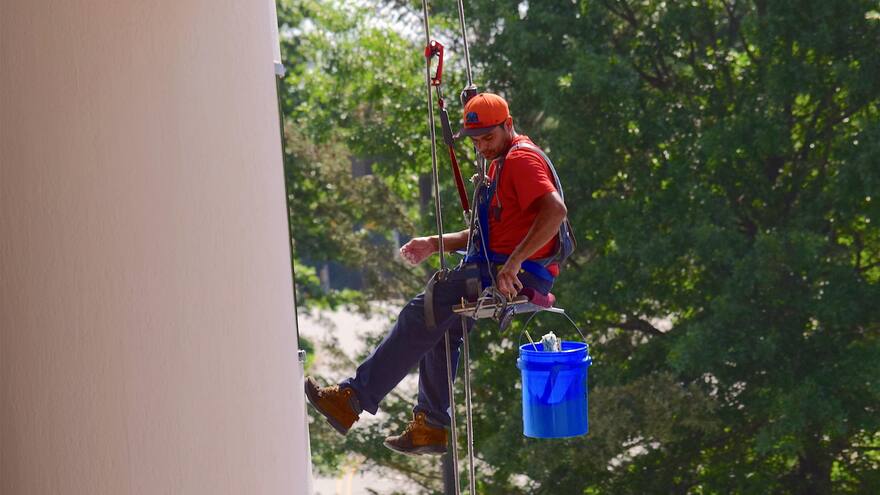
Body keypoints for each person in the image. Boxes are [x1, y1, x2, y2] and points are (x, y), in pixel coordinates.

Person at [305, 92, 569, 456]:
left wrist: (514, 264)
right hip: (500, 267)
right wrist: (434, 242)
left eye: (488, 138)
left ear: (508, 126)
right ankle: (429, 426)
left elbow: (554, 211)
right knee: (442, 329)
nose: (482, 147)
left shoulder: (521, 159)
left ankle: (353, 398)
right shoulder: (500, 164)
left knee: (423, 310)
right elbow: (486, 235)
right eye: (476, 141)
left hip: (516, 273)